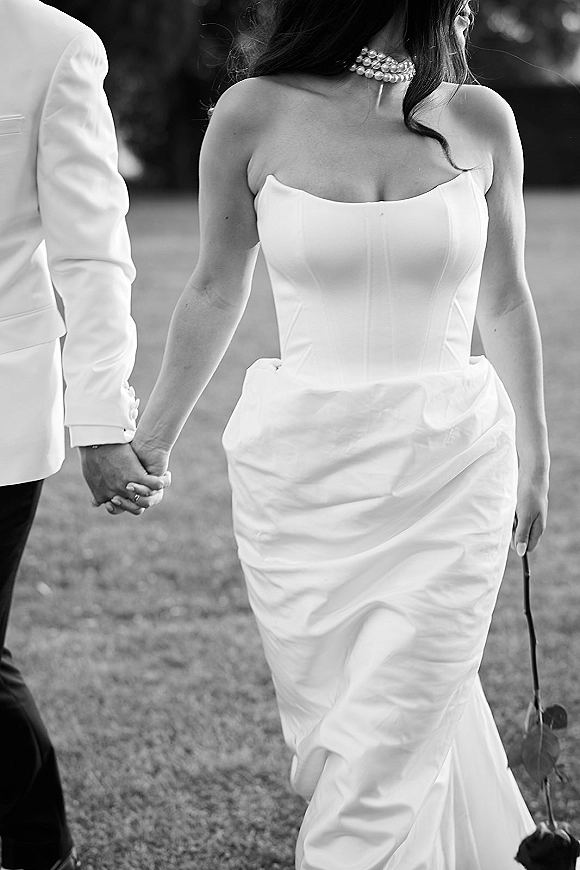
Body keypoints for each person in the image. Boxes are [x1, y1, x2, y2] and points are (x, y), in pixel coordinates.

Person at [129, 0, 551, 866]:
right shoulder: (252, 113)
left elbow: (506, 298)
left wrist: (537, 458)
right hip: (305, 480)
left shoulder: (481, 120)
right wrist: (154, 438)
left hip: (452, 470)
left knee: (393, 727)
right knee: (354, 729)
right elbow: (214, 287)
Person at [0, 1, 168, 868]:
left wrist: (102, 425)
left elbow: (93, 254)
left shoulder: (55, 47)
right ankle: (36, 839)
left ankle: (36, 842)